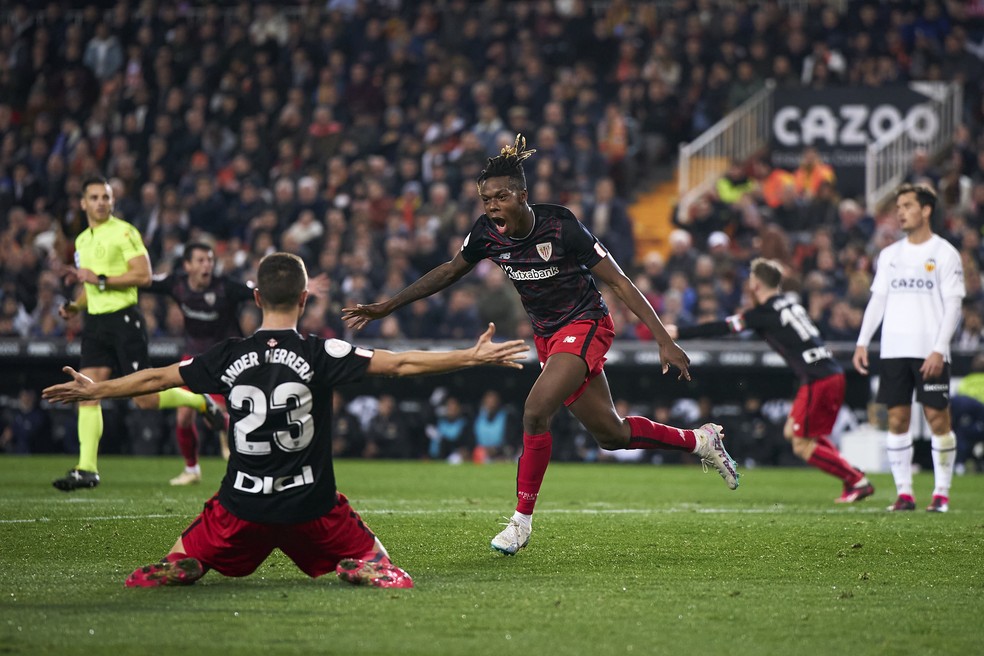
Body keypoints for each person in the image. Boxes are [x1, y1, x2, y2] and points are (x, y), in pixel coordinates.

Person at [343, 135, 739, 556]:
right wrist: (388, 306)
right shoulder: (486, 235)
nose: (492, 205)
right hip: (549, 335)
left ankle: (520, 522)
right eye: (485, 199)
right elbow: (447, 272)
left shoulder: (561, 225)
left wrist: (663, 339)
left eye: (501, 196)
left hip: (587, 323)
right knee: (611, 434)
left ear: (523, 195)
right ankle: (700, 441)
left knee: (535, 411)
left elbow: (619, 280)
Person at [43, 252, 528, 589]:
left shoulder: (225, 355)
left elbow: (158, 378)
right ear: (303, 300)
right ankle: (360, 565)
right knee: (379, 559)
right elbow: (400, 362)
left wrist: (97, 388)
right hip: (312, 508)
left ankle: (188, 561)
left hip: (239, 508)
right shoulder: (322, 352)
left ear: (256, 299)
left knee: (183, 552)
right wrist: (471, 355)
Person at [53, 177, 224, 492]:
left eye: (106, 197)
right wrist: (76, 307)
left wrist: (101, 280)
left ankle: (201, 402)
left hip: (124, 320)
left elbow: (143, 275)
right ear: (83, 203)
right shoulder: (81, 241)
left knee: (144, 399)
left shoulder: (124, 231)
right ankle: (87, 469)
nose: (101, 202)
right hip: (95, 323)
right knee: (87, 389)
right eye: (94, 197)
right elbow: (92, 287)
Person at [667, 258, 874, 503]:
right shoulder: (790, 304)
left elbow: (723, 327)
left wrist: (680, 332)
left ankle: (856, 480)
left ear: (755, 284)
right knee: (799, 434)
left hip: (818, 379)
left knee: (801, 445)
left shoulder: (763, 314)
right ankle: (852, 477)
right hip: (829, 374)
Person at [853, 183, 966, 512]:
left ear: (926, 209)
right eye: (898, 206)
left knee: (937, 419)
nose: (900, 212)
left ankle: (941, 494)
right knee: (898, 419)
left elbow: (954, 306)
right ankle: (905, 493)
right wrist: (863, 341)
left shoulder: (944, 253)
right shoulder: (890, 255)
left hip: (930, 350)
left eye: (906, 205)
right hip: (893, 351)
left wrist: (939, 348)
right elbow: (878, 301)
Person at [141, 242, 255, 485]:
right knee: (183, 417)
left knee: (222, 416)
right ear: (187, 265)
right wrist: (105, 279)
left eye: (210, 260)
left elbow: (259, 293)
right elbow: (144, 281)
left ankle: (244, 466)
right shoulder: (177, 285)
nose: (207, 265)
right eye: (201, 260)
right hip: (194, 357)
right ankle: (192, 470)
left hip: (227, 360)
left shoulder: (226, 286)